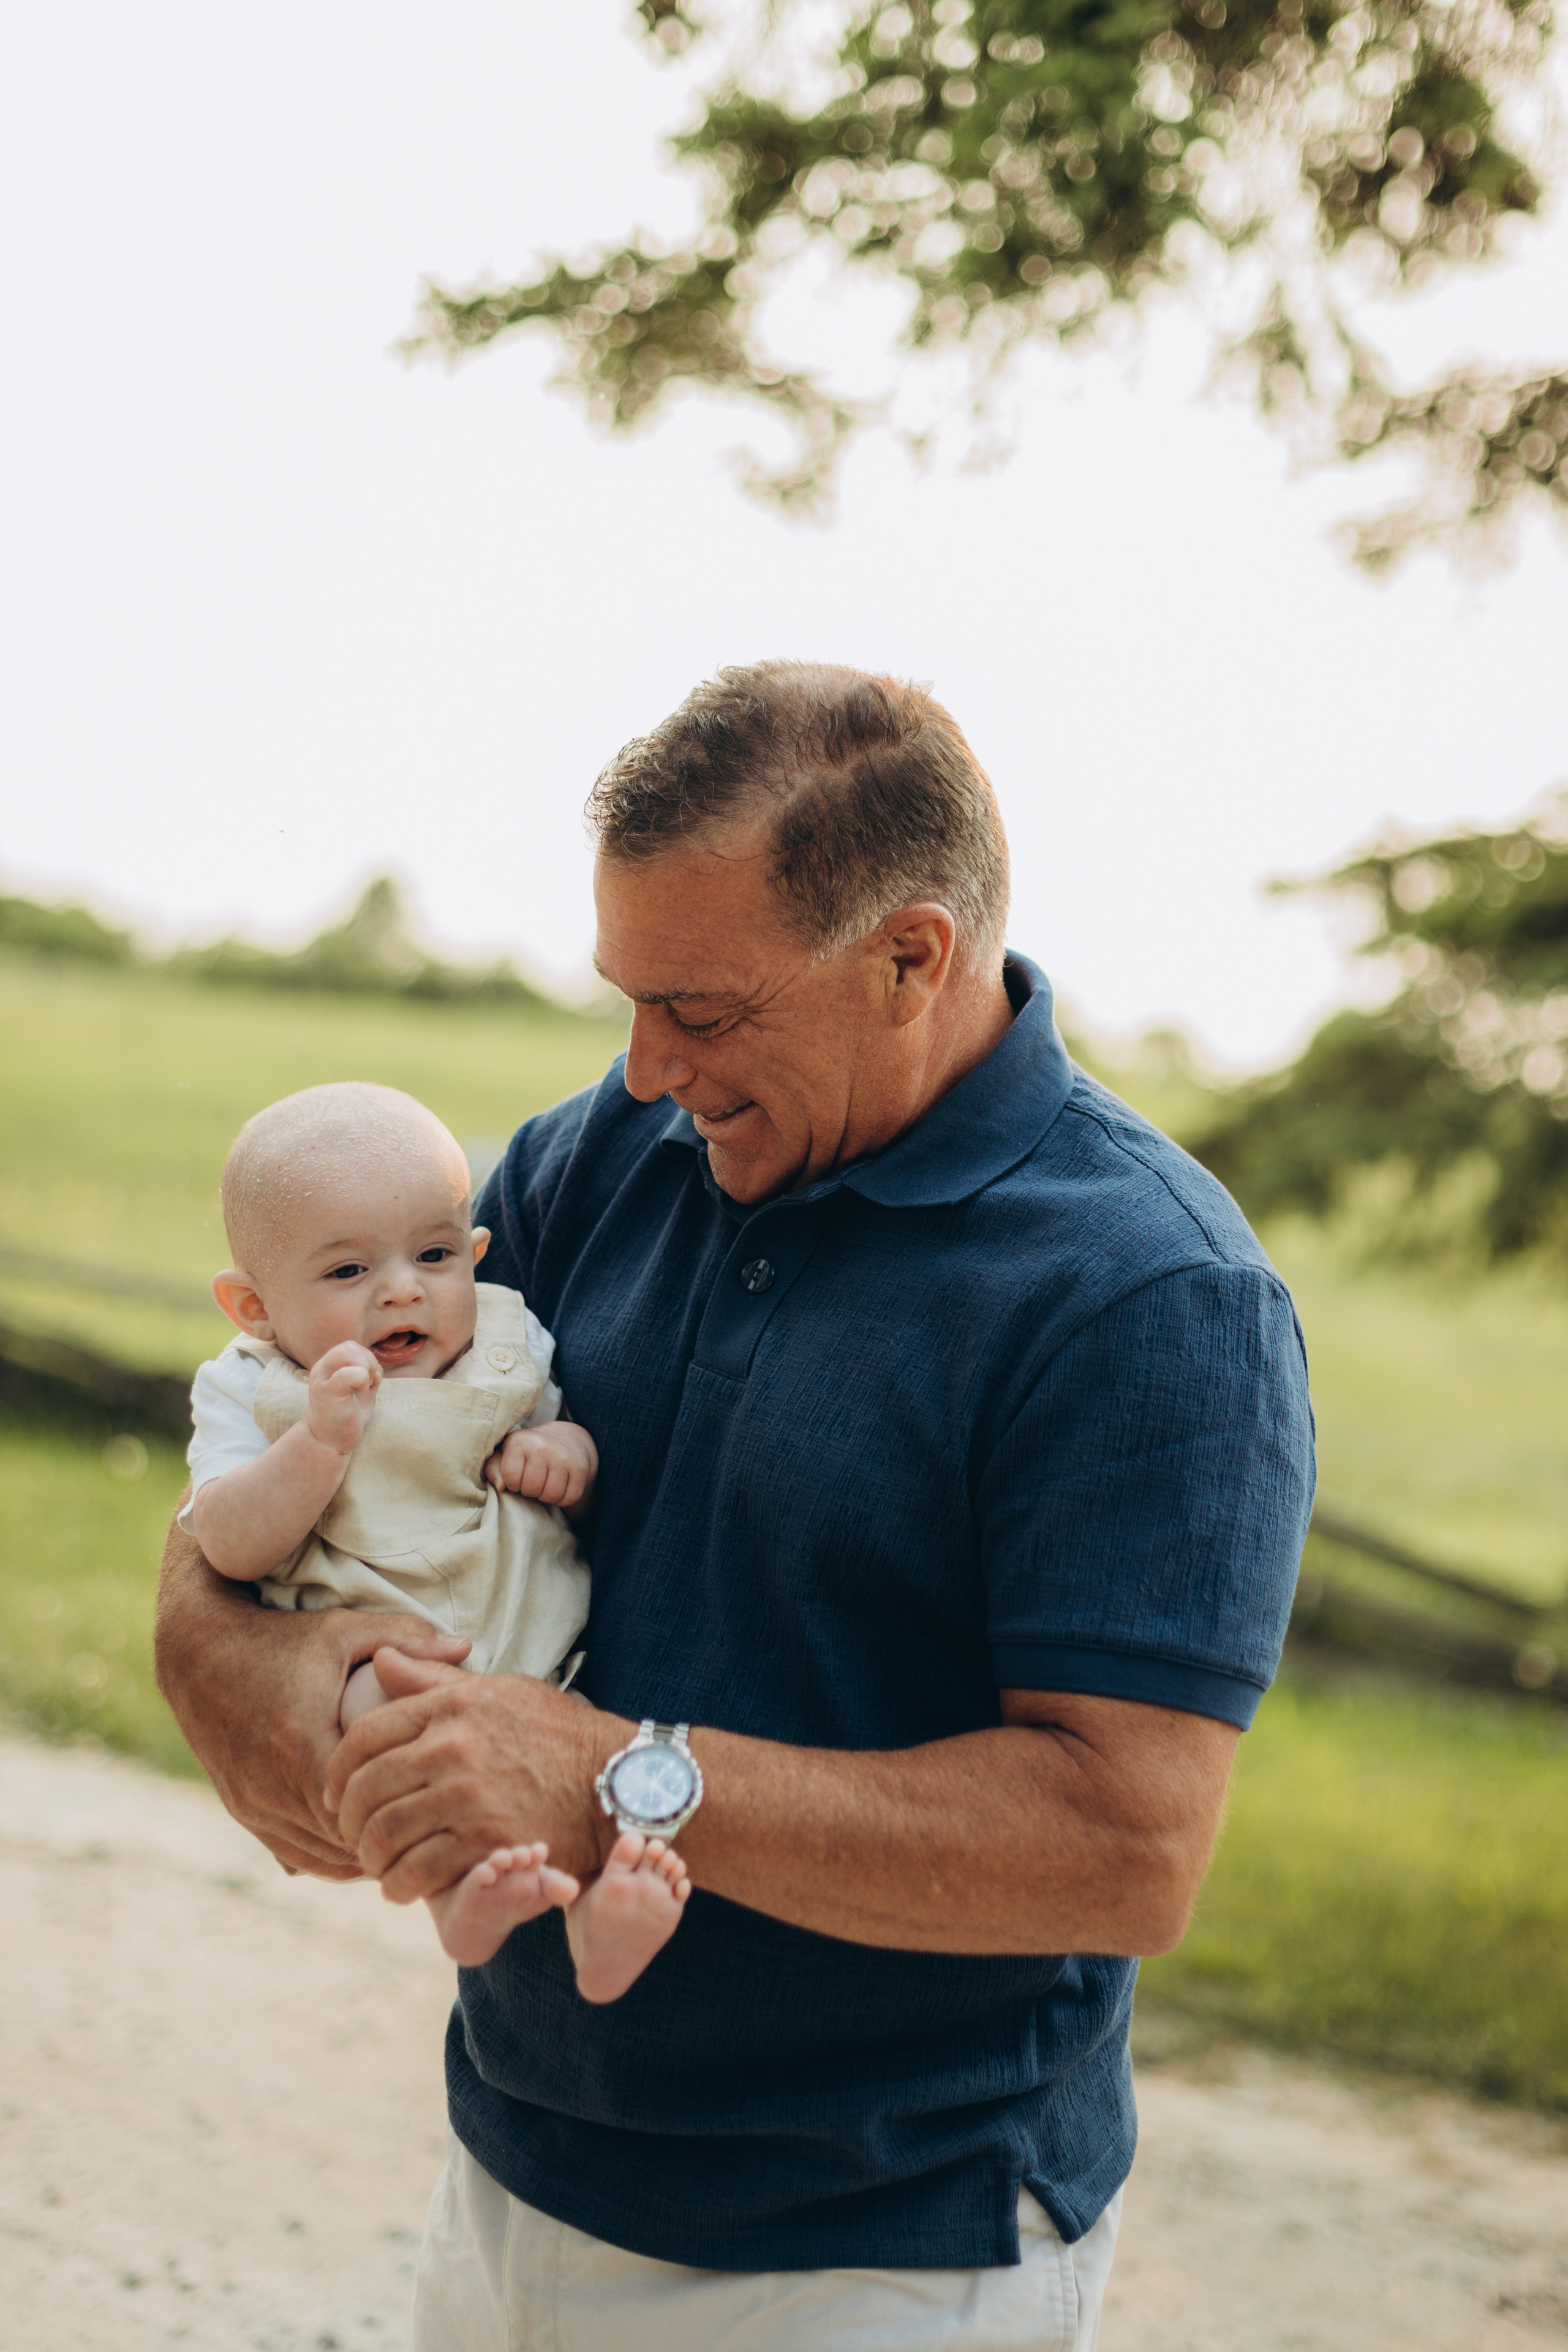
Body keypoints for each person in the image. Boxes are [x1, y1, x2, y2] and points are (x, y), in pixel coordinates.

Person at [156, 660, 1314, 2352]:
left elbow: (1128, 1846)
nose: (641, 1069)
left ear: (910, 957)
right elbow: (286, 1444)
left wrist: (621, 1773)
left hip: (875, 2250)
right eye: (628, 998)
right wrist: (258, 1680)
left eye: (699, 1010)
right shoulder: (594, 1161)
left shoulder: (1151, 1293)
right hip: (511, 2165)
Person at [183, 1079, 690, 1995]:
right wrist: (315, 1446)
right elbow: (226, 1540)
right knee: (392, 1730)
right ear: (252, 1309)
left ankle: (597, 1912)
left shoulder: (503, 1343)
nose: (402, 1290)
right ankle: (457, 1900)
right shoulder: (249, 1389)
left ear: (476, 1254)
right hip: (392, 1657)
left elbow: (565, 1445)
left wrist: (563, 1455)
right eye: (347, 1272)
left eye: (433, 1254)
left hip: (540, 1636)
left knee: (579, 1752)